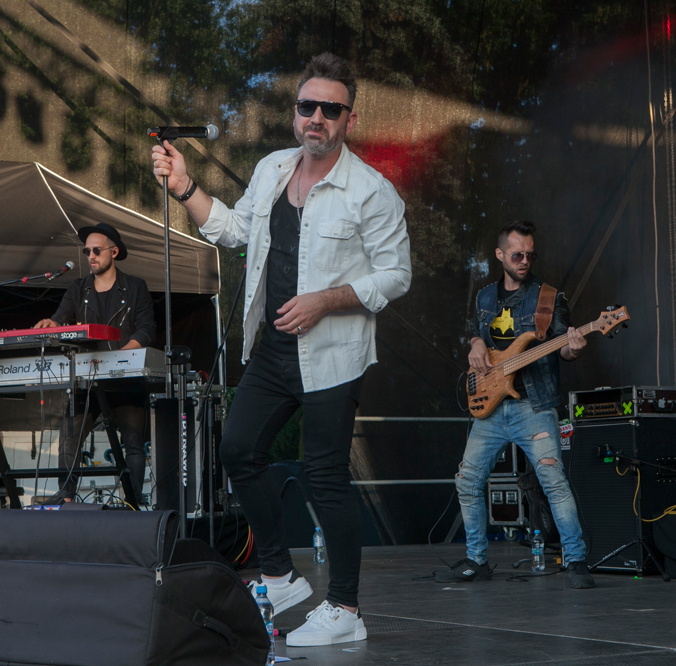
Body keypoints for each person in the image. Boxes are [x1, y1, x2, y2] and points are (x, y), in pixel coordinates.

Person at [151, 53, 411, 646]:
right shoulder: (271, 168)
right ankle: (279, 576)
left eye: (330, 109)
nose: (316, 117)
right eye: (307, 106)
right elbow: (235, 230)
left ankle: (345, 609)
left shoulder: (371, 191)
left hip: (334, 353)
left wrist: (326, 300)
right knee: (238, 449)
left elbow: (396, 276)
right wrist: (184, 185)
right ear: (295, 112)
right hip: (273, 349)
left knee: (326, 476)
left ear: (349, 119)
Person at [444, 219, 595, 589]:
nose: (524, 260)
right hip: (491, 405)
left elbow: (564, 348)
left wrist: (575, 348)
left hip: (534, 406)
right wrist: (475, 343)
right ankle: (477, 560)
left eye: (530, 255)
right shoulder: (484, 297)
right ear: (500, 255)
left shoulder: (549, 298)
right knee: (467, 481)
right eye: (517, 254)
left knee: (553, 481)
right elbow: (476, 333)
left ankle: (576, 561)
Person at [33, 223, 156, 505]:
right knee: (69, 436)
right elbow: (61, 317)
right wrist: (53, 323)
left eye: (96, 250)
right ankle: (66, 497)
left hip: (125, 379)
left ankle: (132, 502)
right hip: (87, 380)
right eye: (86, 251)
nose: (91, 256)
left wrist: (122, 356)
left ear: (114, 252)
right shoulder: (78, 288)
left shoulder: (135, 286)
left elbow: (147, 329)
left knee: (133, 444)